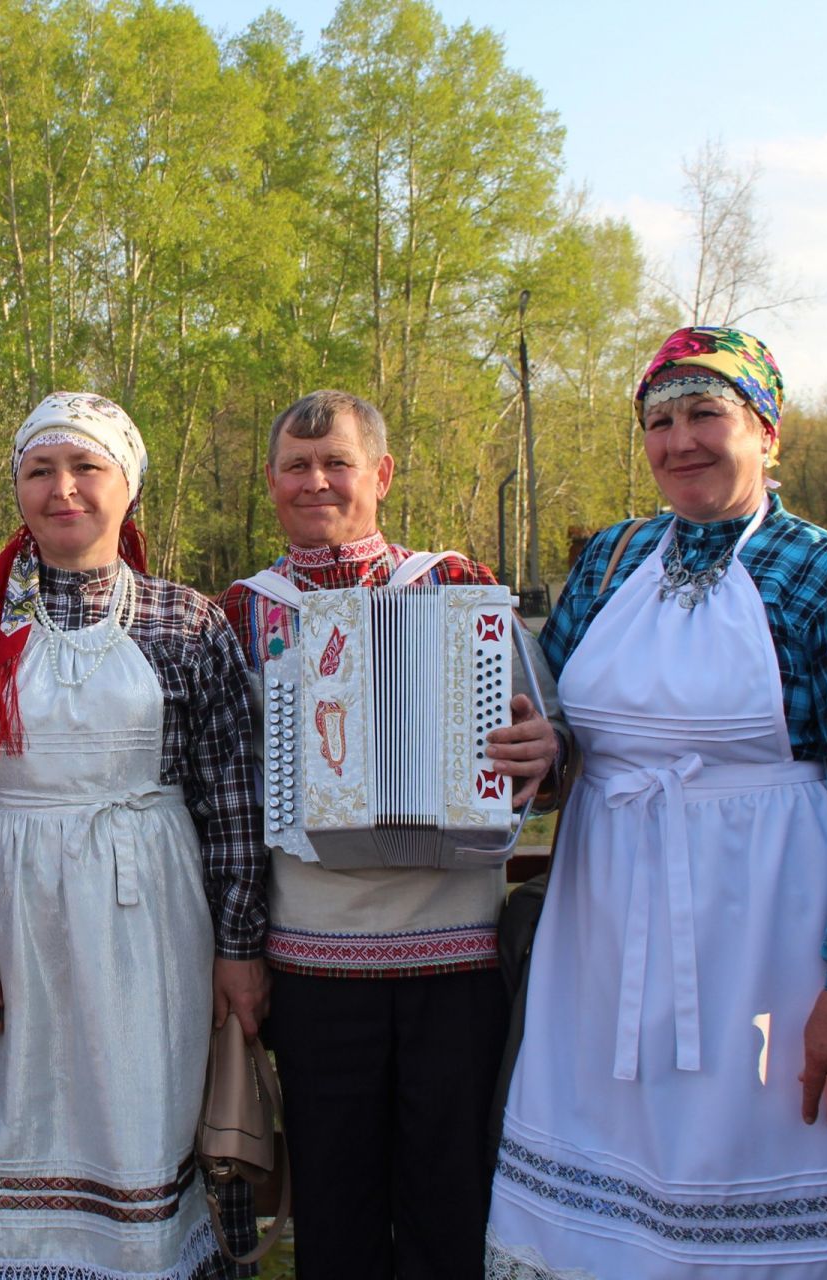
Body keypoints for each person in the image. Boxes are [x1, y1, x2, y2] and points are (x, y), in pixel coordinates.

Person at [486, 327, 827, 1278]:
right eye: (660, 421)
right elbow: (569, 723)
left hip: (774, 942)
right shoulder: (612, 562)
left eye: (708, 414)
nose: (680, 441)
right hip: (606, 937)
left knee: (781, 1157)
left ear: (768, 433)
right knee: (617, 1175)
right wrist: (551, 746)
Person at [0, 392, 266, 1280]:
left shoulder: (186, 622)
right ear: (17, 487)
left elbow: (232, 803)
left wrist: (239, 946)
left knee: (147, 1109)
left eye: (86, 467)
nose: (63, 489)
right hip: (11, 926)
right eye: (39, 470)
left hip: (151, 922)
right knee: (20, 1115)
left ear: (127, 486)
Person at [218, 389, 563, 1279]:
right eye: (296, 466)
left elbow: (552, 761)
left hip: (456, 955)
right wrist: (240, 948)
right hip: (311, 958)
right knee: (334, 1205)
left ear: (381, 473)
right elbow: (219, 799)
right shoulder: (241, 613)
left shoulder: (457, 585)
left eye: (336, 462)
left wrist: (542, 752)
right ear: (271, 482)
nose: (316, 481)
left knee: (452, 1196)